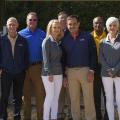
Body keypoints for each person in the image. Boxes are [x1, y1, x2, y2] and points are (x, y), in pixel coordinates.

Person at [61, 15, 97, 120]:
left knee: (88, 98)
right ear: (67, 25)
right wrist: (64, 75)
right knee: (74, 99)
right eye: (69, 24)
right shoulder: (64, 39)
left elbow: (93, 54)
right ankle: (76, 118)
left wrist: (91, 70)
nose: (72, 26)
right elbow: (63, 59)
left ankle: (90, 118)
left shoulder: (87, 36)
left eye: (74, 24)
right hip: (70, 71)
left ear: (78, 24)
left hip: (85, 71)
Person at [0, 17, 28, 120]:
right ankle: (3, 116)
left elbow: (26, 56)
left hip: (19, 72)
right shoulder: (2, 40)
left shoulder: (23, 40)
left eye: (13, 24)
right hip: (6, 72)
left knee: (18, 96)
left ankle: (17, 116)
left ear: (17, 25)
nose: (12, 26)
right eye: (10, 25)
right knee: (4, 96)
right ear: (7, 26)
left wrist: (24, 68)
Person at [19, 12, 46, 120]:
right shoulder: (20, 34)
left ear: (37, 21)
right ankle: (27, 118)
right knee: (26, 97)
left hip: (38, 68)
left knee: (40, 96)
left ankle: (41, 117)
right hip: (24, 69)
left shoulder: (42, 34)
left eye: (34, 20)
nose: (32, 22)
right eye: (30, 20)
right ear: (26, 21)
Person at [41, 19, 63, 120]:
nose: (57, 29)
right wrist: (49, 73)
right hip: (48, 74)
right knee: (49, 96)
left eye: (58, 27)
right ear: (50, 28)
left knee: (55, 98)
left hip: (59, 73)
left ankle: (54, 118)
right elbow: (46, 59)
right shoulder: (47, 41)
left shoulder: (58, 41)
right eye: (54, 27)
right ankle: (46, 118)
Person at [100, 17, 120, 120]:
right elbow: (101, 58)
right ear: (107, 27)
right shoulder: (102, 42)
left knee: (119, 98)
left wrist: (115, 69)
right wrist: (109, 69)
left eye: (114, 25)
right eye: (110, 25)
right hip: (106, 74)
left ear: (118, 26)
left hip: (119, 74)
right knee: (109, 98)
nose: (112, 27)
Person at [91, 16, 108, 120]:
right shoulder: (89, 37)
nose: (98, 25)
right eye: (96, 23)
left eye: (100, 23)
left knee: (107, 94)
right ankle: (98, 115)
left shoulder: (109, 36)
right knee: (95, 94)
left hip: (106, 68)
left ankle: (108, 115)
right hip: (94, 68)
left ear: (104, 24)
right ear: (93, 25)